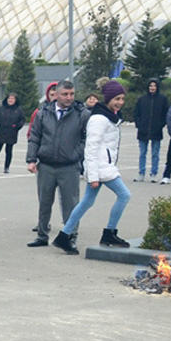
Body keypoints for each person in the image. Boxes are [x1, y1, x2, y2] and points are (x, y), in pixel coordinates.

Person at [52, 81, 132, 253]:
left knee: (87, 202)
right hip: (102, 169)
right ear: (109, 98)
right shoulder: (99, 119)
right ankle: (109, 233)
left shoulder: (109, 116)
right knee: (124, 195)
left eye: (122, 99)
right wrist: (93, 176)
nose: (120, 102)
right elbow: (91, 148)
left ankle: (64, 236)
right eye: (117, 98)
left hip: (104, 166)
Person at [26, 80, 88, 248]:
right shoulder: (43, 113)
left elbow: (86, 138)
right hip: (46, 165)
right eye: (65, 94)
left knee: (70, 204)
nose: (69, 98)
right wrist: (32, 159)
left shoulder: (81, 114)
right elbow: (35, 137)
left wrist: (76, 153)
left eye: (72, 94)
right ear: (56, 95)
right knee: (44, 202)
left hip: (69, 166)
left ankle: (70, 236)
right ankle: (42, 235)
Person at [133, 79, 168, 182]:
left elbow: (165, 113)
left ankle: (154, 173)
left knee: (155, 153)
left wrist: (161, 124)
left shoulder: (162, 99)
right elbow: (136, 113)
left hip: (156, 130)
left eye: (154, 86)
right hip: (143, 130)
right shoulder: (142, 99)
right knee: (142, 153)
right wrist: (139, 125)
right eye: (150, 86)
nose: (152, 88)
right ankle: (141, 173)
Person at [0, 92, 25, 173]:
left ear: (15, 100)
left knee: (9, 151)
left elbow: (22, 120)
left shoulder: (18, 110)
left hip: (11, 133)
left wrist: (17, 127)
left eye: (12, 99)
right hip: (1, 132)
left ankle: (6, 168)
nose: (10, 100)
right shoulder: (1, 108)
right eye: (9, 98)